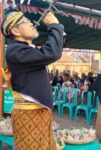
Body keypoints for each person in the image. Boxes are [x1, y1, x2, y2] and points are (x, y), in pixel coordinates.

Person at [1, 11, 64, 150]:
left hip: (39, 112)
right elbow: (52, 52)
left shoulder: (24, 50)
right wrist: (54, 25)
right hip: (28, 114)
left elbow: (52, 51)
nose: (31, 23)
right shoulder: (15, 51)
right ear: (15, 30)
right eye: (25, 21)